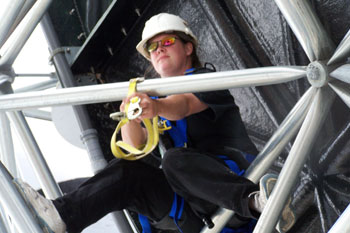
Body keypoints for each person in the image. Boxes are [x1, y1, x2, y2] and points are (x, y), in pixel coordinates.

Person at [14, 13, 295, 233]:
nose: (159, 49)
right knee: (126, 172)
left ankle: (259, 203)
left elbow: (184, 105)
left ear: (188, 47)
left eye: (168, 42)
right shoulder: (154, 97)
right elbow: (133, 145)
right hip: (190, 206)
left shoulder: (208, 81)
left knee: (174, 160)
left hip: (229, 191)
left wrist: (155, 106)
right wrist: (131, 113)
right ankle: (62, 216)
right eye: (152, 46)